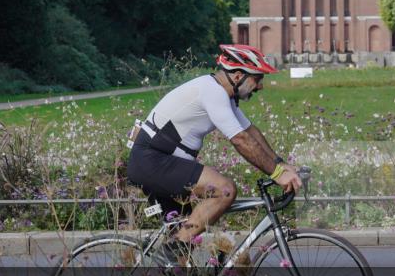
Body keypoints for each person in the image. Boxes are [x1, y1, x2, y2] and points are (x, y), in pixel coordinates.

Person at [127, 44, 303, 264]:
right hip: (152, 160)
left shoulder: (222, 94)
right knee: (224, 190)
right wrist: (277, 173)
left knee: (183, 254)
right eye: (257, 79)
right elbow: (240, 139)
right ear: (238, 76)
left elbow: (250, 131)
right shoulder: (212, 92)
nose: (260, 87)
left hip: (160, 161)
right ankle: (171, 252)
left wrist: (280, 164)